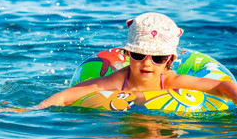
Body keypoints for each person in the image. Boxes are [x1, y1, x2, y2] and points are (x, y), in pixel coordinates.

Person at [38, 12, 237, 109]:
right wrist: (33, 110)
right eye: (139, 55)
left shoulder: (170, 81)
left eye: (158, 58)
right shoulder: (116, 81)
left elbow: (222, 85)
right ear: (127, 54)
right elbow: (68, 95)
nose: (147, 63)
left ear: (169, 60)